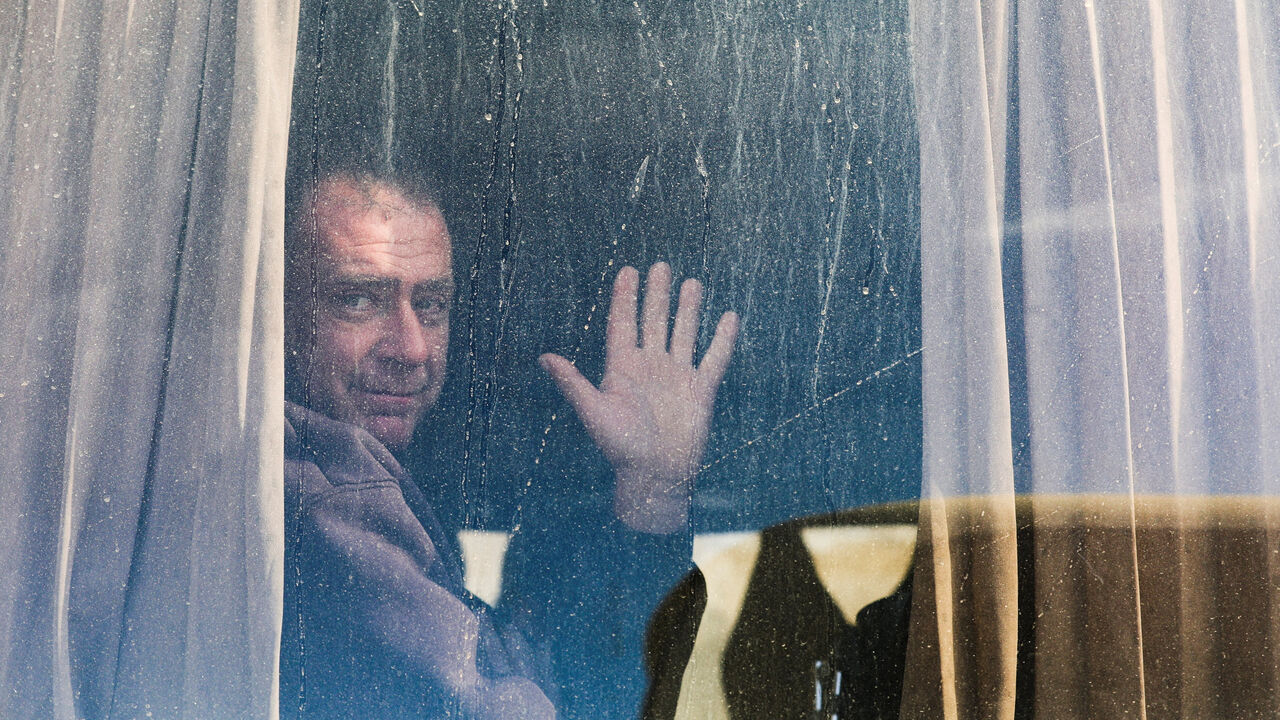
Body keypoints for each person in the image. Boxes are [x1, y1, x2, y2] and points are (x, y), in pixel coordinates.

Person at [280, 166, 738, 719]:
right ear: (276, 311)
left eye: (430, 304)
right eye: (357, 300)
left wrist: (653, 486)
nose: (412, 349)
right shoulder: (320, 490)